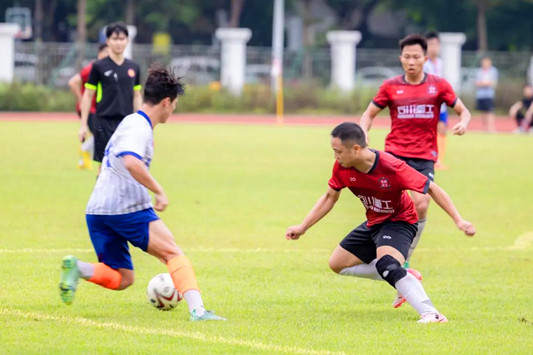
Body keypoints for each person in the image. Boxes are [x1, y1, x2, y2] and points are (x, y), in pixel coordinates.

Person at [59, 65, 226, 321]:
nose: (174, 110)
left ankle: (77, 269)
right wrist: (159, 191)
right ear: (167, 102)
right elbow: (131, 162)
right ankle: (199, 311)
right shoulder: (139, 127)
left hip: (97, 210)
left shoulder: (130, 121)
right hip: (126, 208)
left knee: (124, 277)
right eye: (175, 104)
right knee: (173, 253)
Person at [285, 122, 476, 323]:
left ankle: (432, 314)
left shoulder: (392, 167)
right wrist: (302, 227)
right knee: (337, 264)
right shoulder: (342, 167)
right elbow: (329, 197)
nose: (336, 157)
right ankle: (401, 274)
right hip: (374, 222)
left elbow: (432, 189)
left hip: (400, 221)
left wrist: (459, 220)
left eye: (338, 151)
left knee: (386, 263)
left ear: (356, 149)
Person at [359, 34, 472, 307]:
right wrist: (362, 134)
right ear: (401, 58)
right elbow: (369, 114)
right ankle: (395, 263)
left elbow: (463, 111)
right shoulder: (390, 87)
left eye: (416, 56)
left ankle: (402, 262)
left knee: (421, 202)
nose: (411, 61)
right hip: (394, 154)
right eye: (406, 57)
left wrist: (464, 121)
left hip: (423, 156)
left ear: (426, 58)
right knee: (392, 206)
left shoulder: (438, 86)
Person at [78, 22, 142, 170]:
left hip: (126, 123)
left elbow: (137, 96)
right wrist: (83, 126)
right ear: (108, 41)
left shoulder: (133, 67)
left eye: (122, 39)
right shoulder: (98, 66)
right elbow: (88, 96)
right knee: (104, 167)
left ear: (127, 40)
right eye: (115, 39)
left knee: (126, 166)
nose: (118, 42)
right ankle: (100, 193)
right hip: (104, 122)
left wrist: (139, 122)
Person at [68, 43, 109, 170]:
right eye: (106, 53)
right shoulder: (93, 68)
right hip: (91, 110)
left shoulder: (108, 68)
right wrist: (82, 101)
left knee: (102, 136)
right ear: (100, 53)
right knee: (102, 136)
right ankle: (86, 151)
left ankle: (85, 158)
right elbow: (73, 82)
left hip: (100, 110)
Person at [423, 31, 448, 170]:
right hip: (428, 103)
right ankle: (431, 159)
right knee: (429, 132)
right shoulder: (424, 63)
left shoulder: (441, 63)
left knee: (442, 129)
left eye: (436, 44)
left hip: (441, 103)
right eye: (431, 44)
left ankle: (439, 160)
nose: (434, 47)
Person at [475, 56, 498, 132]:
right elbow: (477, 83)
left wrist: (483, 83)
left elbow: (493, 82)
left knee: (490, 111)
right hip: (480, 94)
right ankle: (484, 127)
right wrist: (485, 83)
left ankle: (491, 127)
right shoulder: (478, 71)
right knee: (483, 111)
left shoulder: (493, 71)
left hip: (489, 94)